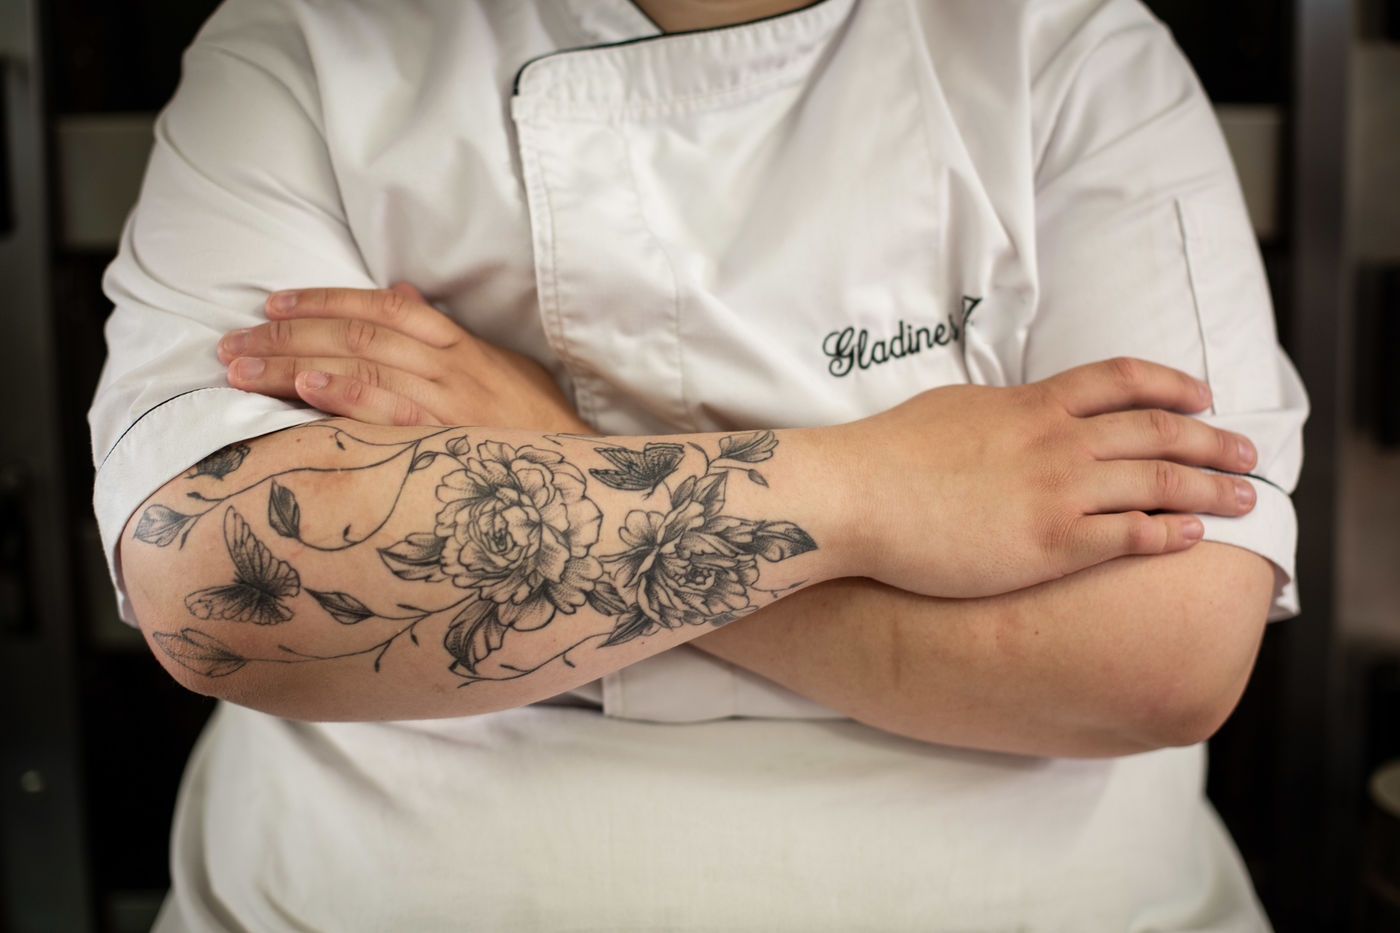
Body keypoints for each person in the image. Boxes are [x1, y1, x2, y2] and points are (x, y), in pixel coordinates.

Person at [90, 0, 1307, 928]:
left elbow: (1162, 658)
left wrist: (553, 454)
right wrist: (882, 493)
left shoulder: (1071, 51)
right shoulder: (305, 44)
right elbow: (218, 590)